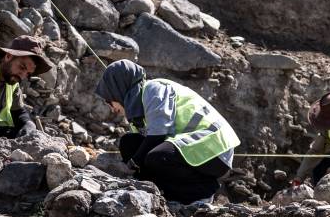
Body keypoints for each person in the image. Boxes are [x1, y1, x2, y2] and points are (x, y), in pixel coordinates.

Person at [95, 60, 240, 205]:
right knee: (129, 143)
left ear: (118, 89)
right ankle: (164, 194)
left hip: (213, 147)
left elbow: (157, 135)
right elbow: (145, 144)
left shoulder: (153, 89)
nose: (112, 108)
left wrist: (130, 165)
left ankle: (203, 192)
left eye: (109, 101)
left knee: (158, 157)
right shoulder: (137, 114)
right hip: (193, 148)